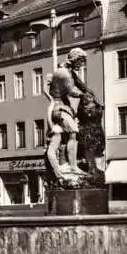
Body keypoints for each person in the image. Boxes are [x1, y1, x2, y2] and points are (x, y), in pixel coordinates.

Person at [44, 47, 91, 182]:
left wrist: (88, 92)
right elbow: (71, 91)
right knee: (73, 132)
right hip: (59, 108)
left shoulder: (70, 73)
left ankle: (68, 164)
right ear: (75, 59)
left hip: (64, 108)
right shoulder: (63, 73)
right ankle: (72, 166)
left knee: (68, 136)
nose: (82, 64)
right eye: (81, 61)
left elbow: (81, 85)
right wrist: (83, 95)